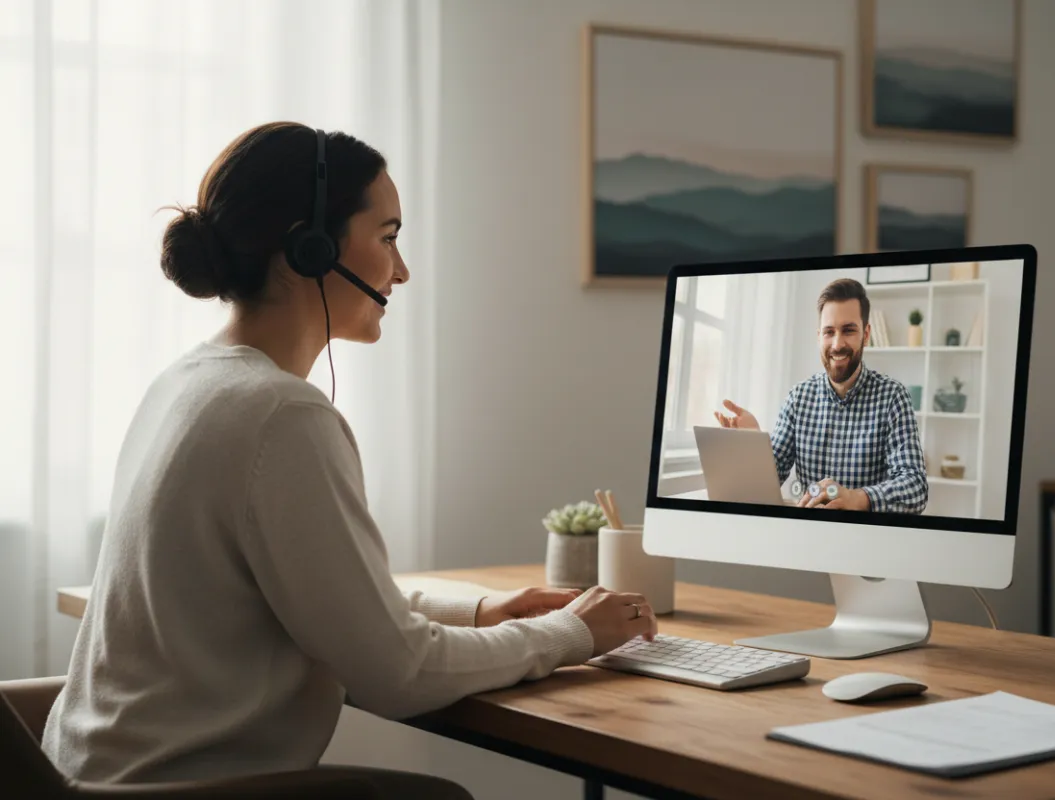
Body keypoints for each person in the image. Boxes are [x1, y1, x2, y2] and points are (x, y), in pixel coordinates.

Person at [41, 122, 657, 787]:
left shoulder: (188, 382)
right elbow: (401, 674)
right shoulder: (281, 414)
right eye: (388, 238)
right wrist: (573, 634)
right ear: (308, 249)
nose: (402, 269)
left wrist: (481, 612)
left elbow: (322, 596)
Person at [714, 278, 927, 514]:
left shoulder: (893, 397)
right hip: (807, 535)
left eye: (848, 330)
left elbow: (915, 486)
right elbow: (763, 484)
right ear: (819, 336)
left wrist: (857, 498)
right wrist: (753, 443)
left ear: (866, 335)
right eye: (829, 332)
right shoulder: (798, 399)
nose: (837, 344)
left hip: (867, 538)